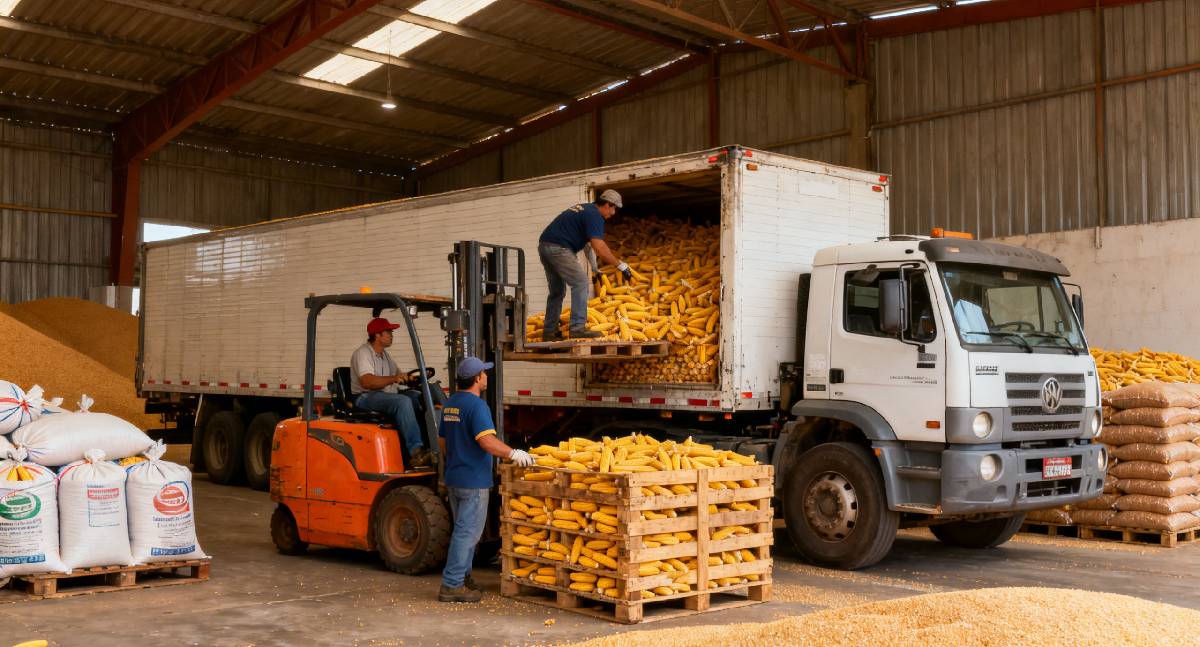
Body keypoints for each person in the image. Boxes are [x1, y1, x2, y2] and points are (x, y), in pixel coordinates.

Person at [437, 356, 535, 603]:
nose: (487, 377)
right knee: (467, 533)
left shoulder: (450, 404)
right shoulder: (477, 406)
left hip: (455, 477)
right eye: (485, 373)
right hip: (473, 481)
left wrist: (457, 458)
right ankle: (452, 584)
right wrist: (513, 453)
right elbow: (486, 441)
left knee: (463, 530)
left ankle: (463, 576)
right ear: (477, 378)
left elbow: (442, 441)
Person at [538, 189, 632, 340]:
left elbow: (588, 246)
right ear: (607, 205)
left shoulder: (586, 210)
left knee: (557, 291)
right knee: (581, 282)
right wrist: (620, 265)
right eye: (613, 208)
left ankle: (549, 332)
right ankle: (577, 328)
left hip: (545, 246)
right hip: (559, 248)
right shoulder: (595, 216)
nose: (613, 213)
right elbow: (599, 248)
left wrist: (595, 269)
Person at [350, 317, 432, 468]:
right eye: (388, 332)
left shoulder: (385, 355)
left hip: (383, 394)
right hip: (364, 397)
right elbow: (367, 382)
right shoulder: (363, 354)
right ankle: (416, 452)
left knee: (419, 397)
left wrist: (412, 378)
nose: (391, 335)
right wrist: (395, 378)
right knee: (402, 402)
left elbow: (398, 375)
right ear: (377, 335)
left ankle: (430, 445)